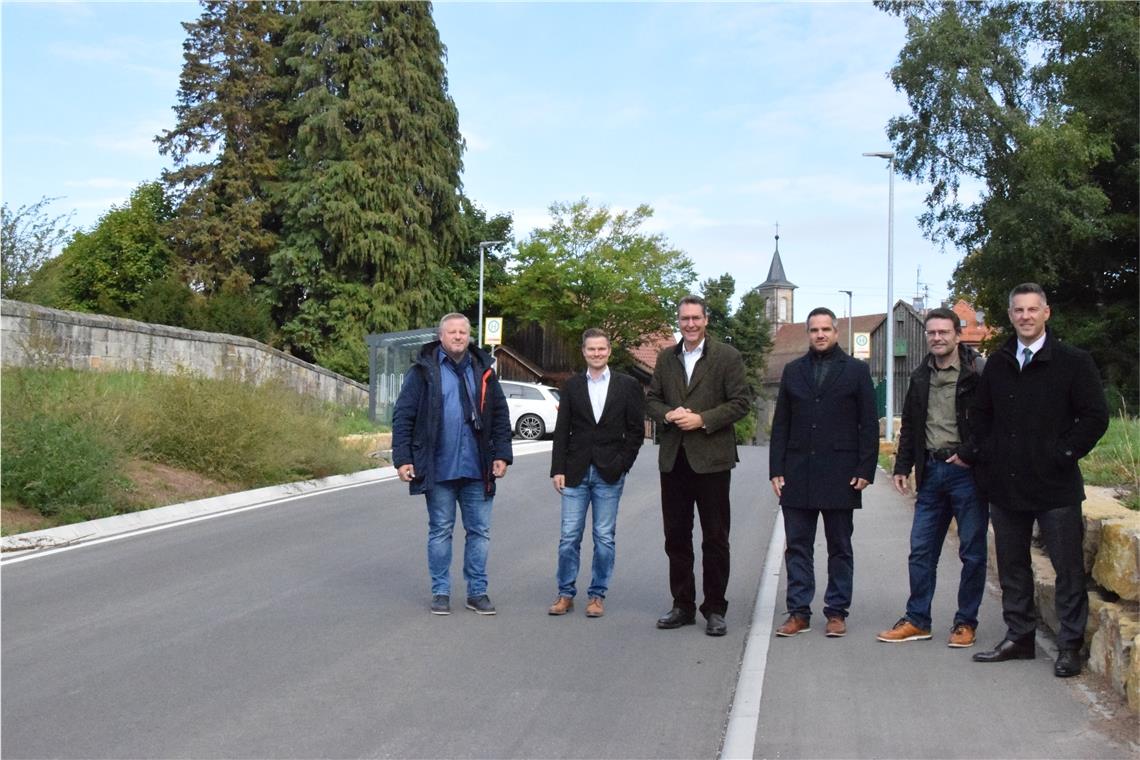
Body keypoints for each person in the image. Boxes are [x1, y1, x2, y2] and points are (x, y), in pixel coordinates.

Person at [971, 283, 1108, 677]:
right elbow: (981, 417)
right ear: (1010, 315)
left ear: (1046, 313)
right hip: (1008, 484)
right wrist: (989, 457)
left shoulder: (1072, 361)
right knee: (1013, 566)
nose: (1026, 316)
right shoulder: (997, 364)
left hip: (1056, 486)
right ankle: (1019, 637)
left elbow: (1095, 417)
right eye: (1018, 310)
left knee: (1067, 570)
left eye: (1033, 309)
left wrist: (1063, 453)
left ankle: (1069, 646)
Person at [878, 307, 988, 647]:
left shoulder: (977, 372)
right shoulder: (920, 375)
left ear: (957, 334)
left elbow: (993, 421)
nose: (937, 338)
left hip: (966, 473)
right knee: (921, 550)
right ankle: (917, 619)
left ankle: (965, 622)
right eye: (932, 333)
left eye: (943, 332)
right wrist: (901, 466)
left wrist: (969, 453)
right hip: (930, 472)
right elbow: (911, 423)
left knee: (972, 552)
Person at [391, 313, 513, 616]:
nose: (458, 337)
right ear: (440, 336)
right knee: (440, 530)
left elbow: (499, 416)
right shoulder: (423, 372)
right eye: (452, 332)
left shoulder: (483, 370)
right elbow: (403, 416)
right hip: (438, 466)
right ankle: (441, 592)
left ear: (469, 336)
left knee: (479, 532)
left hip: (477, 466)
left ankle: (477, 592)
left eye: (463, 332)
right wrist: (403, 458)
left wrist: (502, 454)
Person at [769, 306, 877, 638]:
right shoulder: (793, 370)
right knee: (797, 546)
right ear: (808, 333)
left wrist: (865, 468)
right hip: (798, 472)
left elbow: (869, 424)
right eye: (814, 330)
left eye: (825, 329)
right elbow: (781, 424)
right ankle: (799, 611)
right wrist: (776, 469)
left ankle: (836, 611)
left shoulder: (856, 371)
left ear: (836, 331)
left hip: (841, 473)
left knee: (839, 546)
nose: (820, 335)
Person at [646, 295, 751, 637]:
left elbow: (740, 402)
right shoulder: (666, 357)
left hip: (712, 460)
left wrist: (702, 419)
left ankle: (715, 608)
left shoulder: (726, 357)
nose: (690, 324)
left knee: (715, 538)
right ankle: (683, 605)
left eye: (695, 318)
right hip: (674, 459)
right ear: (678, 321)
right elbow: (652, 399)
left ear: (706, 320)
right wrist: (668, 415)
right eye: (684, 318)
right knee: (676, 536)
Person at [547, 328, 645, 618]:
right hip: (575, 471)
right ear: (584, 352)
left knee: (604, 537)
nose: (597, 354)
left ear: (609, 351)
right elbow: (562, 430)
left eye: (601, 349)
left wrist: (623, 463)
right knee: (569, 537)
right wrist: (557, 469)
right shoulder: (573, 386)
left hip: (609, 473)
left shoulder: (627, 386)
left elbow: (637, 431)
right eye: (591, 349)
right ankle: (565, 594)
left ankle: (597, 595)